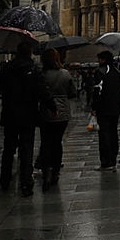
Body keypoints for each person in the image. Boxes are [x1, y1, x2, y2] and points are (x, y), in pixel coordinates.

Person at [0, 40, 53, 196]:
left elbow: (0, 84)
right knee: (26, 149)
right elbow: (42, 91)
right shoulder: (33, 69)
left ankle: (4, 179)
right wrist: (52, 105)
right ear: (30, 53)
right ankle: (26, 183)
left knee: (8, 148)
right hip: (28, 115)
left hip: (9, 113)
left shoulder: (7, 68)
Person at [39, 48, 76, 191]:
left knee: (46, 142)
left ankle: (46, 172)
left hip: (45, 112)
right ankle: (55, 172)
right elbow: (72, 93)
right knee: (57, 142)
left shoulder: (41, 74)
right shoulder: (65, 74)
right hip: (62, 113)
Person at [90, 50, 120, 171]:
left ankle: (106, 161)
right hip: (115, 108)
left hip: (104, 108)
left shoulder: (100, 72)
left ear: (103, 60)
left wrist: (94, 107)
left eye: (99, 59)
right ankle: (113, 159)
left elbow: (97, 92)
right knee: (113, 133)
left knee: (104, 134)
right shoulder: (117, 71)